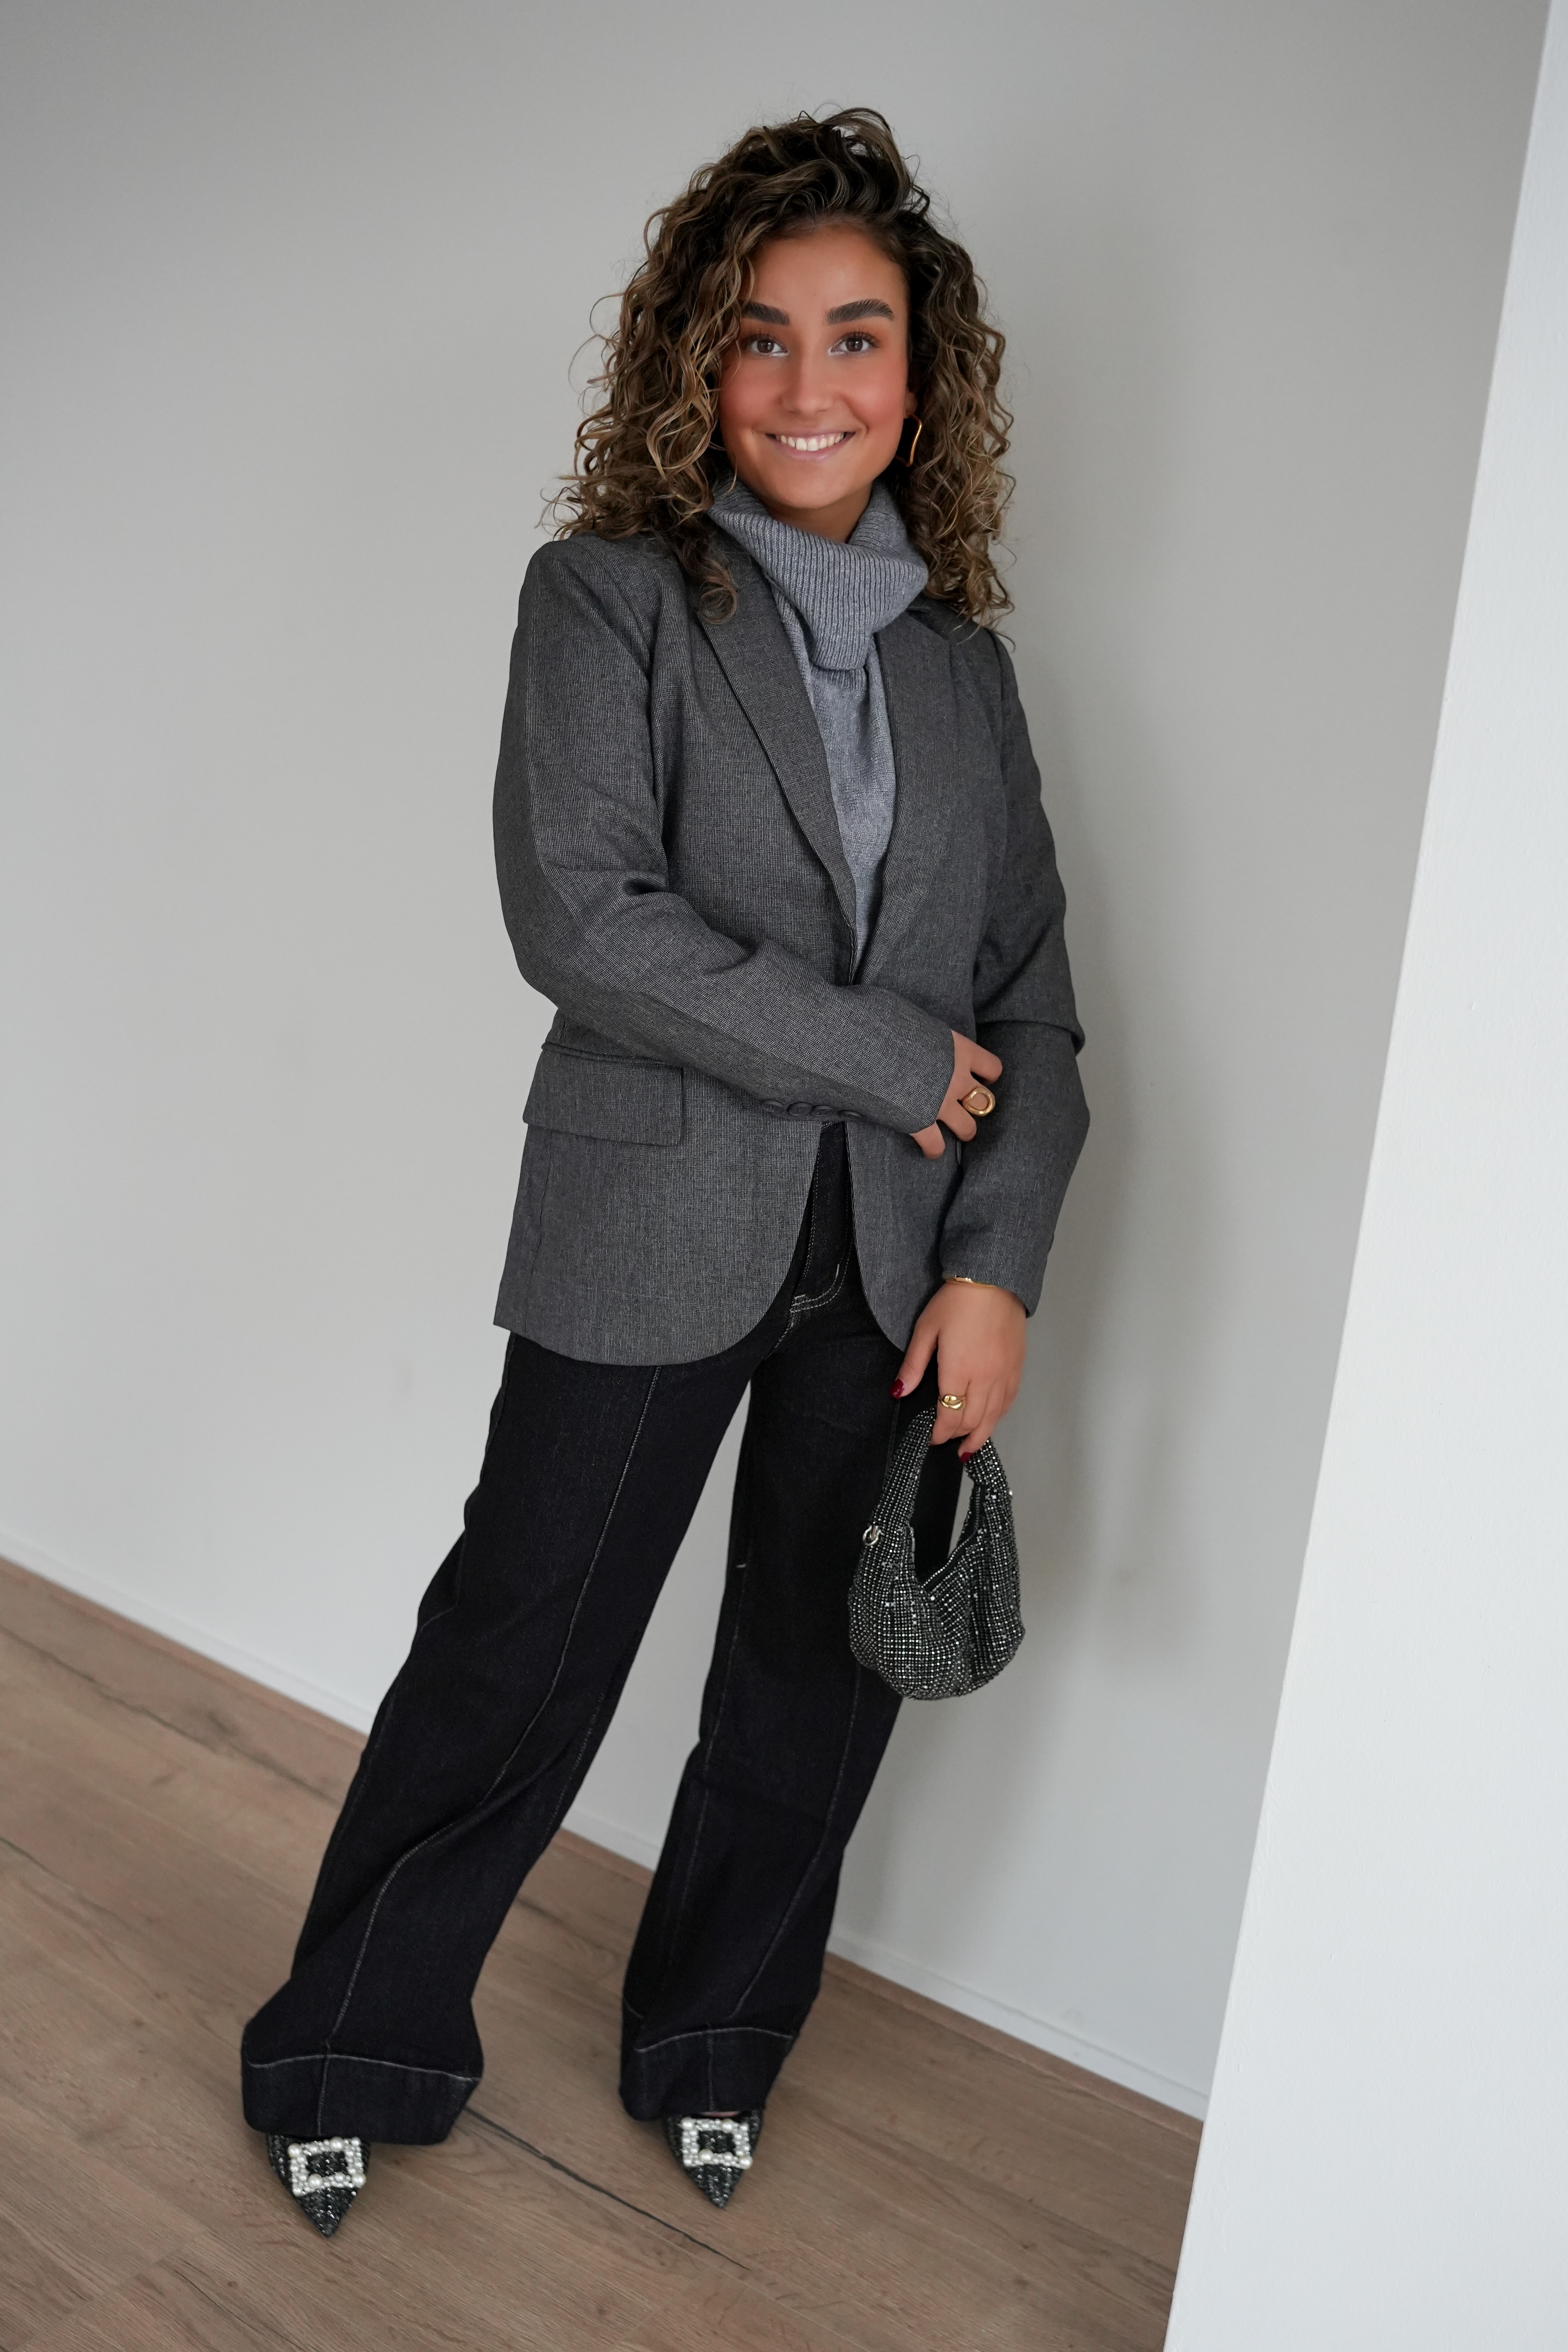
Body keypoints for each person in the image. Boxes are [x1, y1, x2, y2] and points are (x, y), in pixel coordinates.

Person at [241, 106, 1087, 2236]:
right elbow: (587, 919)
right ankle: (351, 2043)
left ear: (922, 377)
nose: (811, 385)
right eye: (762, 336)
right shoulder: (609, 598)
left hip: (896, 1270)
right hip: (648, 1222)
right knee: (521, 1643)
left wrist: (997, 1267)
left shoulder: (967, 673)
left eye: (858, 337)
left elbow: (1042, 1013)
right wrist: (893, 1057)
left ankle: (714, 2042)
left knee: (815, 1679)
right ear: (698, 363)